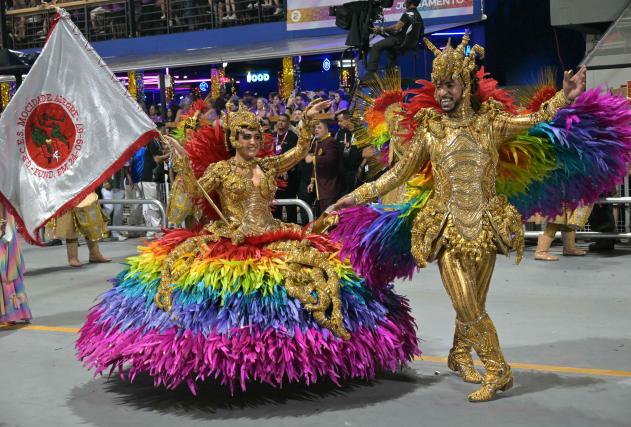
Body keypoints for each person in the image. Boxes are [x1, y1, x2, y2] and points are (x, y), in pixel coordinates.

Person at [76, 100, 418, 393]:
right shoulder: (221, 170)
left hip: (274, 234)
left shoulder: (268, 165)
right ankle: (231, 357)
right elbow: (195, 192)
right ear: (233, 139)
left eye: (257, 136)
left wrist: (306, 123)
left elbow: (299, 152)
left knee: (322, 266)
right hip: (234, 239)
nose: (253, 141)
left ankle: (327, 333)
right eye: (245, 136)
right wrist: (180, 162)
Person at [331, 35, 587, 401]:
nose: (441, 93)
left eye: (449, 85)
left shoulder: (490, 124)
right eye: (438, 86)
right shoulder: (431, 130)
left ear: (466, 85)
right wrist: (350, 198)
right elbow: (396, 174)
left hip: (485, 226)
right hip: (446, 228)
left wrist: (565, 97)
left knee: (474, 306)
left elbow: (536, 118)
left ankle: (459, 353)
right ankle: (498, 370)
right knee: (466, 303)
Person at [48, 193, 112, 267]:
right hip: (67, 191)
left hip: (85, 189)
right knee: (70, 222)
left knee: (91, 221)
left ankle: (95, 254)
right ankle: (73, 257)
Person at [365, 0, 423, 77]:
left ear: (410, 2)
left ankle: (370, 75)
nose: (405, 3)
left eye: (406, 1)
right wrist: (382, 31)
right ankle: (392, 76)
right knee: (390, 50)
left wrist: (382, 29)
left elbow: (396, 27)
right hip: (407, 42)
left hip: (399, 40)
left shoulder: (408, 13)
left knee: (376, 47)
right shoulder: (418, 16)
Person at [0, 202, 31, 325]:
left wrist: (2, 222)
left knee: (5, 266)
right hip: (5, 220)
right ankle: (13, 312)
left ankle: (8, 314)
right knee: (7, 265)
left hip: (3, 222)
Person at [305, 120, 344, 213]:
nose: (316, 130)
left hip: (330, 186)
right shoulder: (320, 142)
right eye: (315, 128)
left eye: (319, 127)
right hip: (322, 186)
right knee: (323, 215)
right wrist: (312, 181)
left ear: (327, 129)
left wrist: (313, 158)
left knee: (330, 215)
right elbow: (316, 166)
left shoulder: (330, 142)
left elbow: (330, 159)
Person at [272, 113, 300, 223]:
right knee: (276, 205)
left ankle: (293, 228)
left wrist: (285, 169)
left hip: (289, 176)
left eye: (283, 121)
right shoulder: (272, 136)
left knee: (290, 205)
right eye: (279, 120)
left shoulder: (293, 137)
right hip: (274, 177)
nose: (280, 122)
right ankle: (277, 228)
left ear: (288, 124)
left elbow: (294, 157)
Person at [335, 110, 362, 193]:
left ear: (348, 119)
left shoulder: (360, 132)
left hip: (356, 170)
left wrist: (361, 167)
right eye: (338, 121)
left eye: (340, 121)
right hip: (342, 171)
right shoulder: (340, 133)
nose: (338, 123)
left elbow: (367, 151)